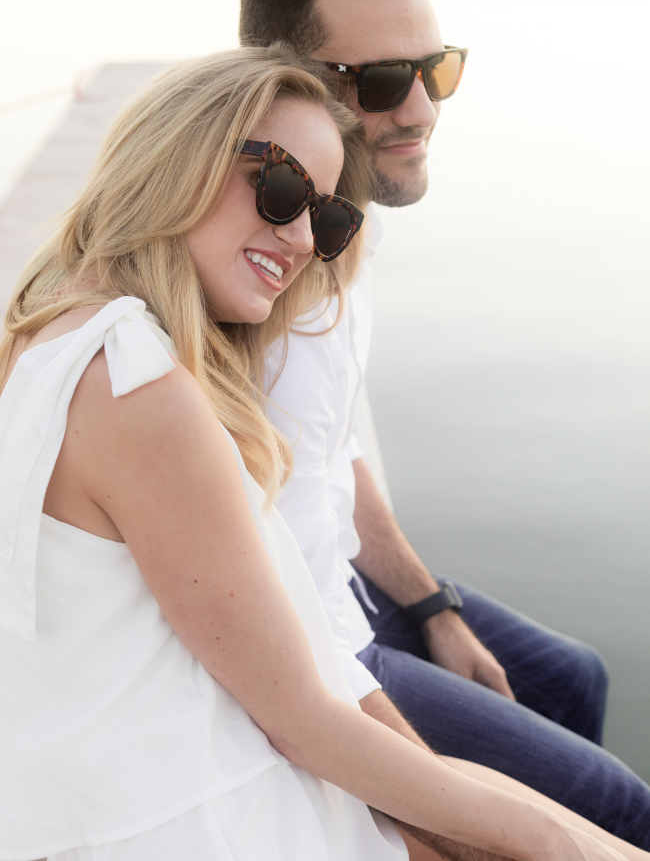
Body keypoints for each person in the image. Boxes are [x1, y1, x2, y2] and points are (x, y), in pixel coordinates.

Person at [0, 46, 644, 861]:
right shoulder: (140, 386)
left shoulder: (49, 329)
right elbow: (303, 719)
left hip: (135, 778)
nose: (303, 236)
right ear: (181, 156)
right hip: (196, 814)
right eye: (282, 189)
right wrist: (547, 839)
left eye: (331, 217)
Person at [239, 0, 650, 849]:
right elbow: (276, 625)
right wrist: (416, 791)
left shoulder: (344, 229)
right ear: (286, 81)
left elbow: (334, 455)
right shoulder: (255, 279)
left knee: (571, 676)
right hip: (309, 636)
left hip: (343, 584)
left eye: (438, 69)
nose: (423, 109)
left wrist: (432, 606)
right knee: (618, 809)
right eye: (385, 81)